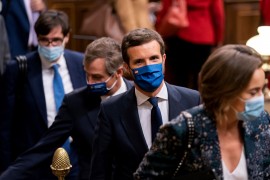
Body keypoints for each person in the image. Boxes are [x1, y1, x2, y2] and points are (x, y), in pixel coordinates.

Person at [0, 37, 133, 180]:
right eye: (86, 74)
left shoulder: (139, 96)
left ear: (118, 72)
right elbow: (44, 147)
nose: (89, 82)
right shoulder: (75, 103)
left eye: (97, 77)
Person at [134, 44, 270, 179]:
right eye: (253, 92)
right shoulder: (182, 130)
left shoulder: (261, 122)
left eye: (261, 89)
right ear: (226, 91)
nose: (260, 98)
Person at [89, 28, 201, 180]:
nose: (148, 67)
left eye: (154, 58)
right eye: (139, 61)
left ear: (164, 59)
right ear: (127, 67)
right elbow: (100, 170)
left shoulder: (193, 100)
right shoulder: (111, 110)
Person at [0, 10, 86, 178]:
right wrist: (7, 168)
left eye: (55, 41)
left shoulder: (80, 64)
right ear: (37, 38)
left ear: (67, 37)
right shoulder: (18, 69)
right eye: (44, 41)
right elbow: (4, 125)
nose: (50, 46)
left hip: (76, 159)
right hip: (35, 163)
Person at [156, 0, 224, 90]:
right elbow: (218, 14)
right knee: (200, 78)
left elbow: (166, 8)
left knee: (179, 79)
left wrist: (159, 29)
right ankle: (199, 102)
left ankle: (178, 103)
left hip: (179, 35)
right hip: (204, 36)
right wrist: (218, 39)